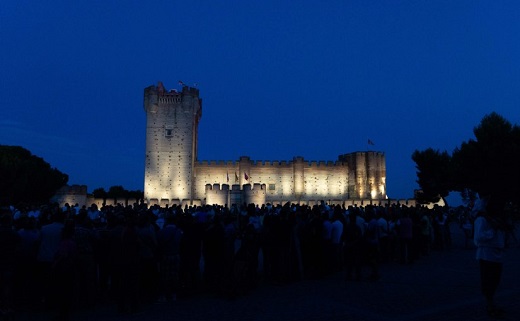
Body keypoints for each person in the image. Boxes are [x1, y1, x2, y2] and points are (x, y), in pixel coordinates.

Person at [473, 197, 511, 318]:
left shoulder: (494, 220)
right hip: (486, 254)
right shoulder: (481, 220)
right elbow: (478, 238)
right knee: (488, 281)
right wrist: (493, 230)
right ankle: (490, 305)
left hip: (496, 254)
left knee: (495, 281)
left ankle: (492, 303)